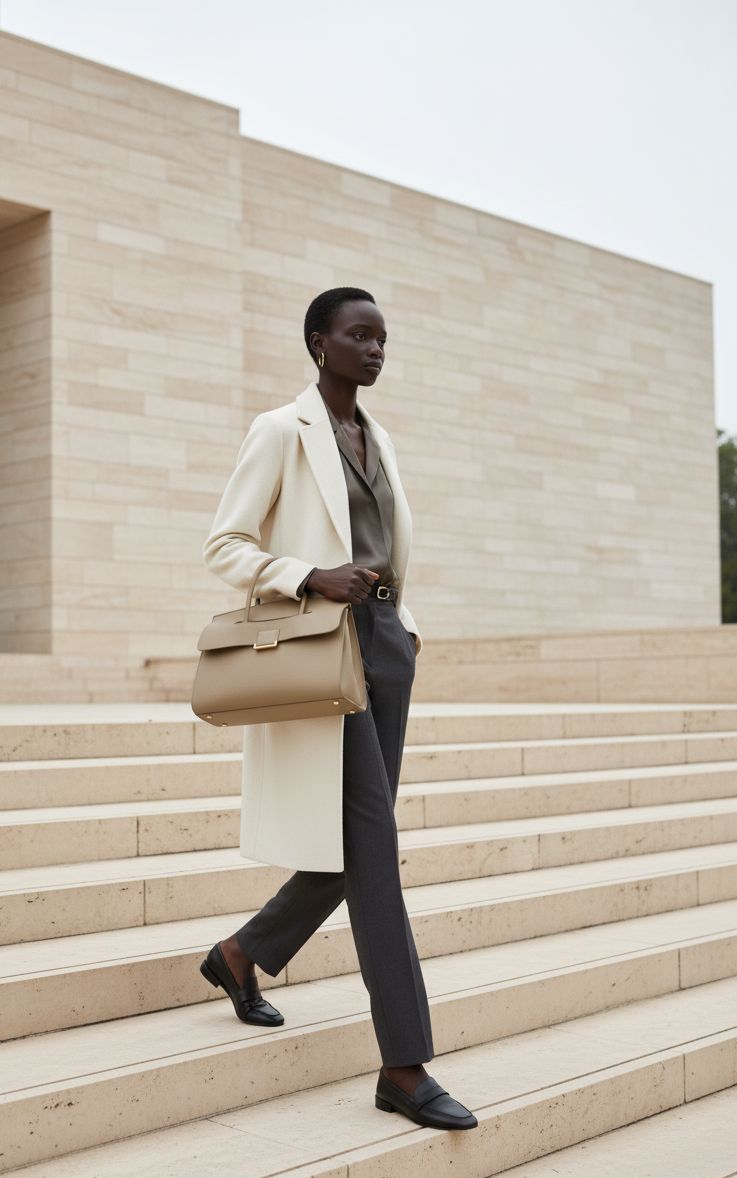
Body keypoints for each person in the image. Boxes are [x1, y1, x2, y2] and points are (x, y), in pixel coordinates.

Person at [199, 287, 477, 1130]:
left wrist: (405, 627)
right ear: (320, 343)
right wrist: (307, 576)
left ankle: (243, 955)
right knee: (375, 853)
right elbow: (224, 546)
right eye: (360, 335)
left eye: (383, 337)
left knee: (356, 840)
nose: (375, 349)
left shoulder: (379, 437)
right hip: (326, 651)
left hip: (387, 644)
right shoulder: (282, 430)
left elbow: (390, 545)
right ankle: (404, 1065)